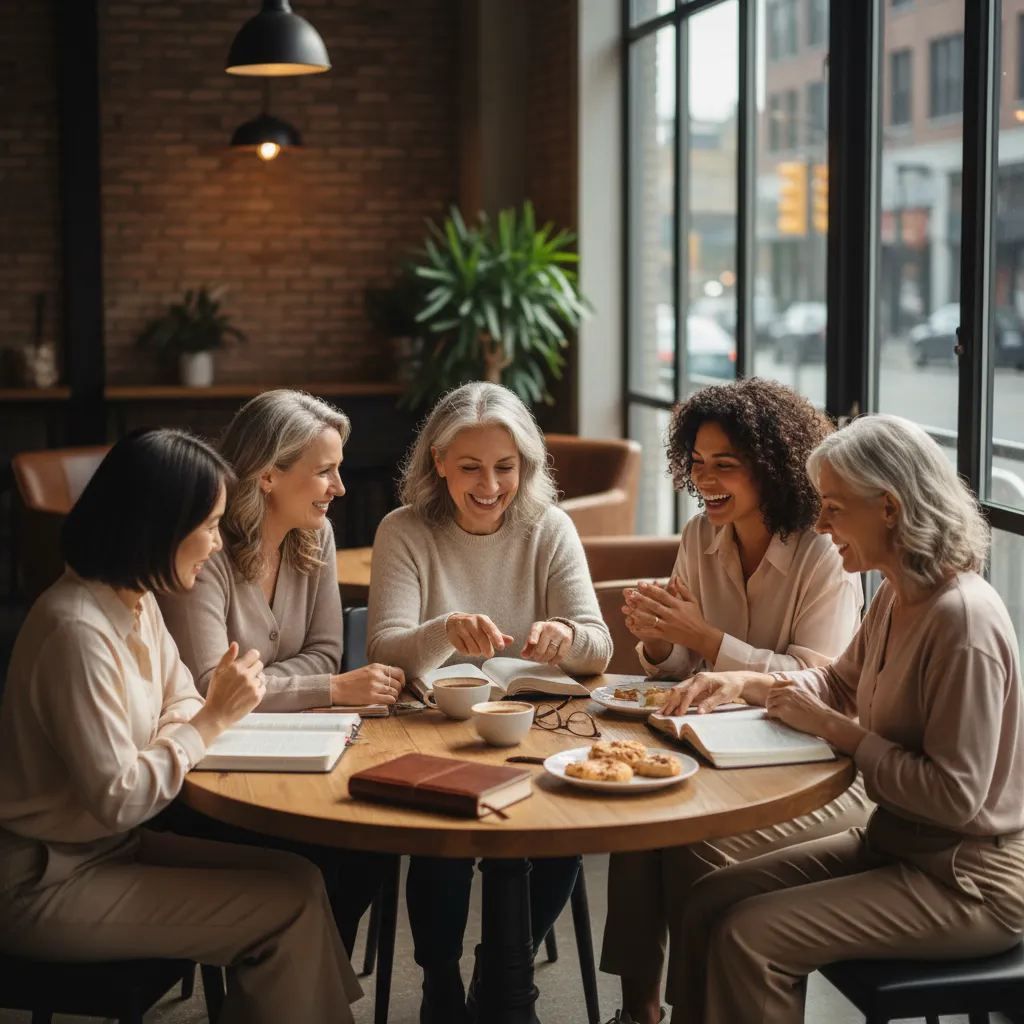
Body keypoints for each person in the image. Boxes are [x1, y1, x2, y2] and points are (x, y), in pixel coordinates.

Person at [666, 414, 1024, 1024]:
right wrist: (749, 681)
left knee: (750, 936)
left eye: (833, 507)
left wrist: (840, 732)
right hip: (896, 844)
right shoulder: (896, 592)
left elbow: (956, 798)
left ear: (888, 507)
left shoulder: (961, 623)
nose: (822, 523)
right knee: (708, 899)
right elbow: (837, 682)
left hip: (968, 879)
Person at [0, 429, 362, 1023]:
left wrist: (193, 720)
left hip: (107, 852)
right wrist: (212, 718)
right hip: (44, 881)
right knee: (285, 906)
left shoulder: (133, 603)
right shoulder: (76, 630)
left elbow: (181, 699)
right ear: (160, 526)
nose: (218, 545)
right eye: (212, 525)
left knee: (301, 878)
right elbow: (121, 796)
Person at [600, 378, 871, 1024]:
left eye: (726, 464)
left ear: (772, 468)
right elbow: (685, 666)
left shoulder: (821, 550)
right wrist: (662, 642)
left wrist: (707, 639)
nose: (706, 478)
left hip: (821, 768)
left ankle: (699, 1010)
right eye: (696, 463)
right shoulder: (701, 536)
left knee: (696, 848)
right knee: (640, 825)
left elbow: (820, 678)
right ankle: (638, 1012)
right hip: (726, 752)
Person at [367, 381, 613, 1023]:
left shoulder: (550, 528)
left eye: (505, 467)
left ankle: (504, 968)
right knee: (439, 835)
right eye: (470, 467)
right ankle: (440, 982)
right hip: (430, 732)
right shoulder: (404, 530)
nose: (489, 485)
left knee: (561, 830)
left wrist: (567, 637)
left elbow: (599, 646)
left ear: (525, 467)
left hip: (532, 729)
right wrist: (444, 630)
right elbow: (385, 656)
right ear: (438, 462)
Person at [159, 389, 395, 953]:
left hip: (293, 748)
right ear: (267, 476)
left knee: (373, 842)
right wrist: (328, 689)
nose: (340, 488)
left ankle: (309, 978)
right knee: (321, 852)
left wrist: (278, 682)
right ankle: (301, 982)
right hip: (209, 776)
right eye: (324, 473)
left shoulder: (317, 534)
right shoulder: (203, 548)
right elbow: (207, 690)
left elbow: (324, 649)